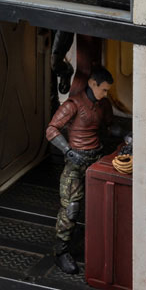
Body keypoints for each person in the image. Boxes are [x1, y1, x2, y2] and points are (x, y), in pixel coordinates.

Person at [46, 64, 115, 275]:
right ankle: (61, 251)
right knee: (71, 207)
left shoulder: (103, 105)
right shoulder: (73, 105)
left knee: (104, 203)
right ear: (92, 83)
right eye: (103, 89)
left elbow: (110, 126)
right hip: (76, 161)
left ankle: (99, 244)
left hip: (97, 160)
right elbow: (52, 129)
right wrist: (68, 151)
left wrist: (128, 134)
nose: (105, 94)